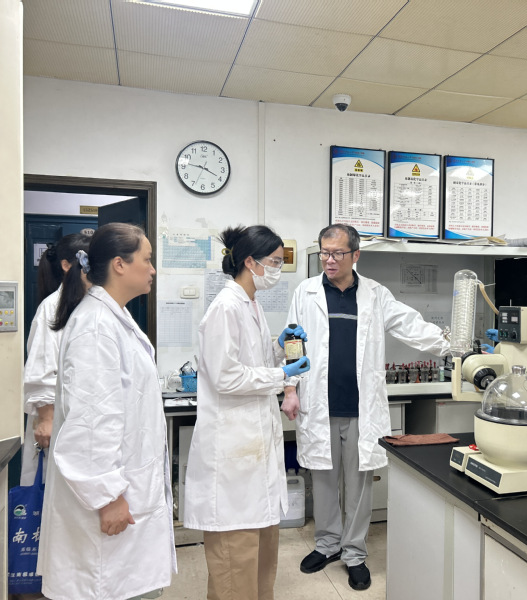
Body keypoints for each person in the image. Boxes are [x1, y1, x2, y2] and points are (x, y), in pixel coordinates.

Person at [280, 224, 449, 591]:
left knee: (359, 484)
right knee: (324, 479)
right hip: (319, 404)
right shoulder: (306, 292)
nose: (329, 260)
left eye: (337, 253)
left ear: (355, 255)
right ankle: (327, 544)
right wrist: (290, 387)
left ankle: (354, 552)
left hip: (361, 407)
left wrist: (454, 345)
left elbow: (410, 325)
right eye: (325, 252)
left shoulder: (375, 294)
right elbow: (293, 341)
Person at [38, 223, 176, 600]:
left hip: (124, 492)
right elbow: (91, 423)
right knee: (107, 586)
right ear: (119, 264)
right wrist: (108, 496)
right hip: (107, 504)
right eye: (147, 259)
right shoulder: (96, 327)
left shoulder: (113, 317)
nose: (152, 269)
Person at [184, 225, 310, 600]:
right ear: (251, 262)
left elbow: (251, 360)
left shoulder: (250, 304)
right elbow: (226, 376)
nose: (278, 269)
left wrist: (279, 347)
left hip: (252, 455)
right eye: (275, 261)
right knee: (234, 567)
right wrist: (282, 375)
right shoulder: (225, 307)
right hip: (232, 460)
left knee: (260, 564)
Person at [21, 233, 91, 486]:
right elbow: (41, 368)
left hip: (82, 421)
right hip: (57, 420)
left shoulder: (90, 304)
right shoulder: (52, 308)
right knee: (50, 489)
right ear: (66, 265)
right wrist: (46, 419)